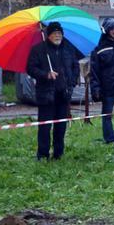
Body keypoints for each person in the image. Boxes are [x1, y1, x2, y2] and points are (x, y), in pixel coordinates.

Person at [26, 22, 80, 160]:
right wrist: (46, 74)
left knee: (61, 126)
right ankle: (43, 154)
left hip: (63, 94)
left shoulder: (68, 48)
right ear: (48, 35)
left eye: (59, 33)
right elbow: (30, 68)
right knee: (45, 127)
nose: (57, 36)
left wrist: (72, 83)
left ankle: (58, 153)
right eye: (54, 34)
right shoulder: (38, 50)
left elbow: (75, 67)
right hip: (46, 94)